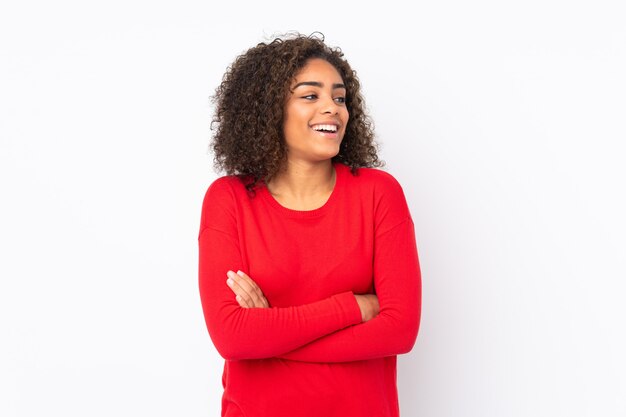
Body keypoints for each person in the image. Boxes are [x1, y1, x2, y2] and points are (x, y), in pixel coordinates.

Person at [198, 32, 421, 417]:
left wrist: (269, 335)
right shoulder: (228, 199)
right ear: (269, 109)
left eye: (339, 97)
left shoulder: (379, 194)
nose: (332, 108)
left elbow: (400, 330)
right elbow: (232, 337)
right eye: (310, 95)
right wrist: (351, 308)